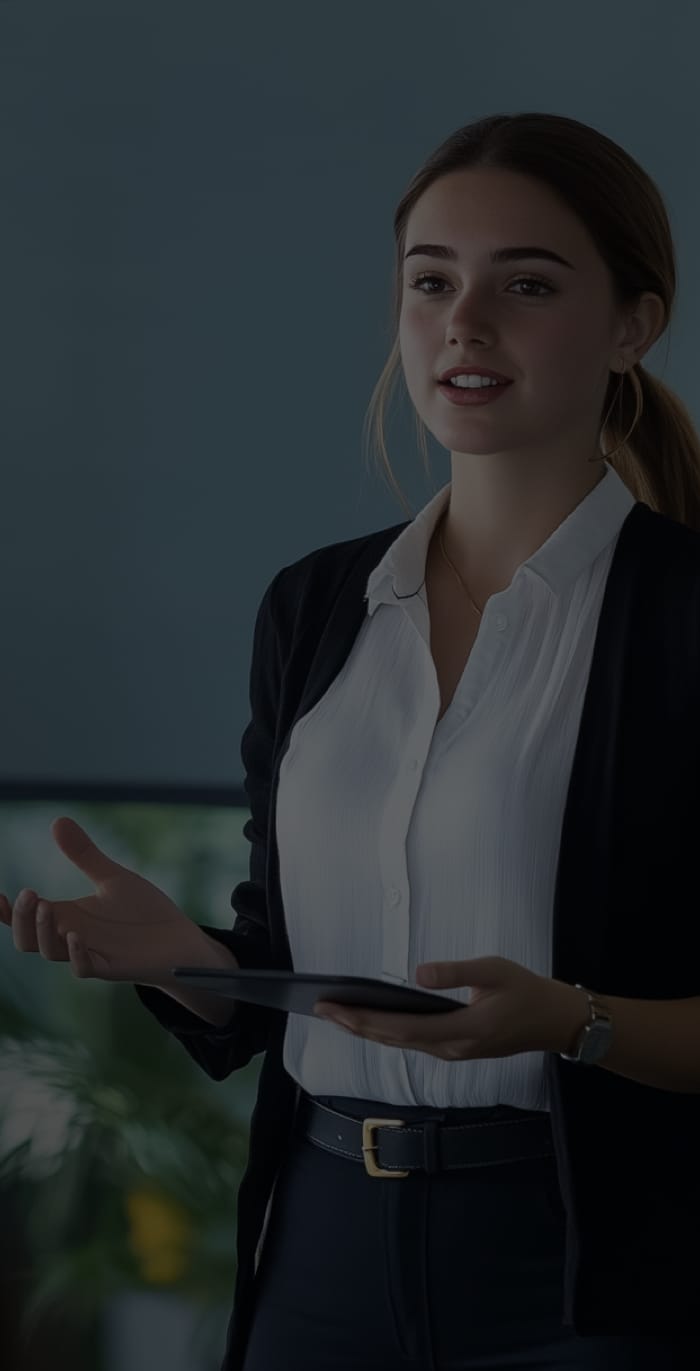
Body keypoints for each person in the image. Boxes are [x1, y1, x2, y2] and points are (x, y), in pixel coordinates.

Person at [4, 111, 700, 1371]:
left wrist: (569, 1021)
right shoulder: (316, 606)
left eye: (525, 284)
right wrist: (190, 961)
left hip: (595, 1265)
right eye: (430, 280)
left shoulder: (685, 615)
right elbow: (291, 957)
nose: (463, 322)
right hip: (321, 1245)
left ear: (632, 325)